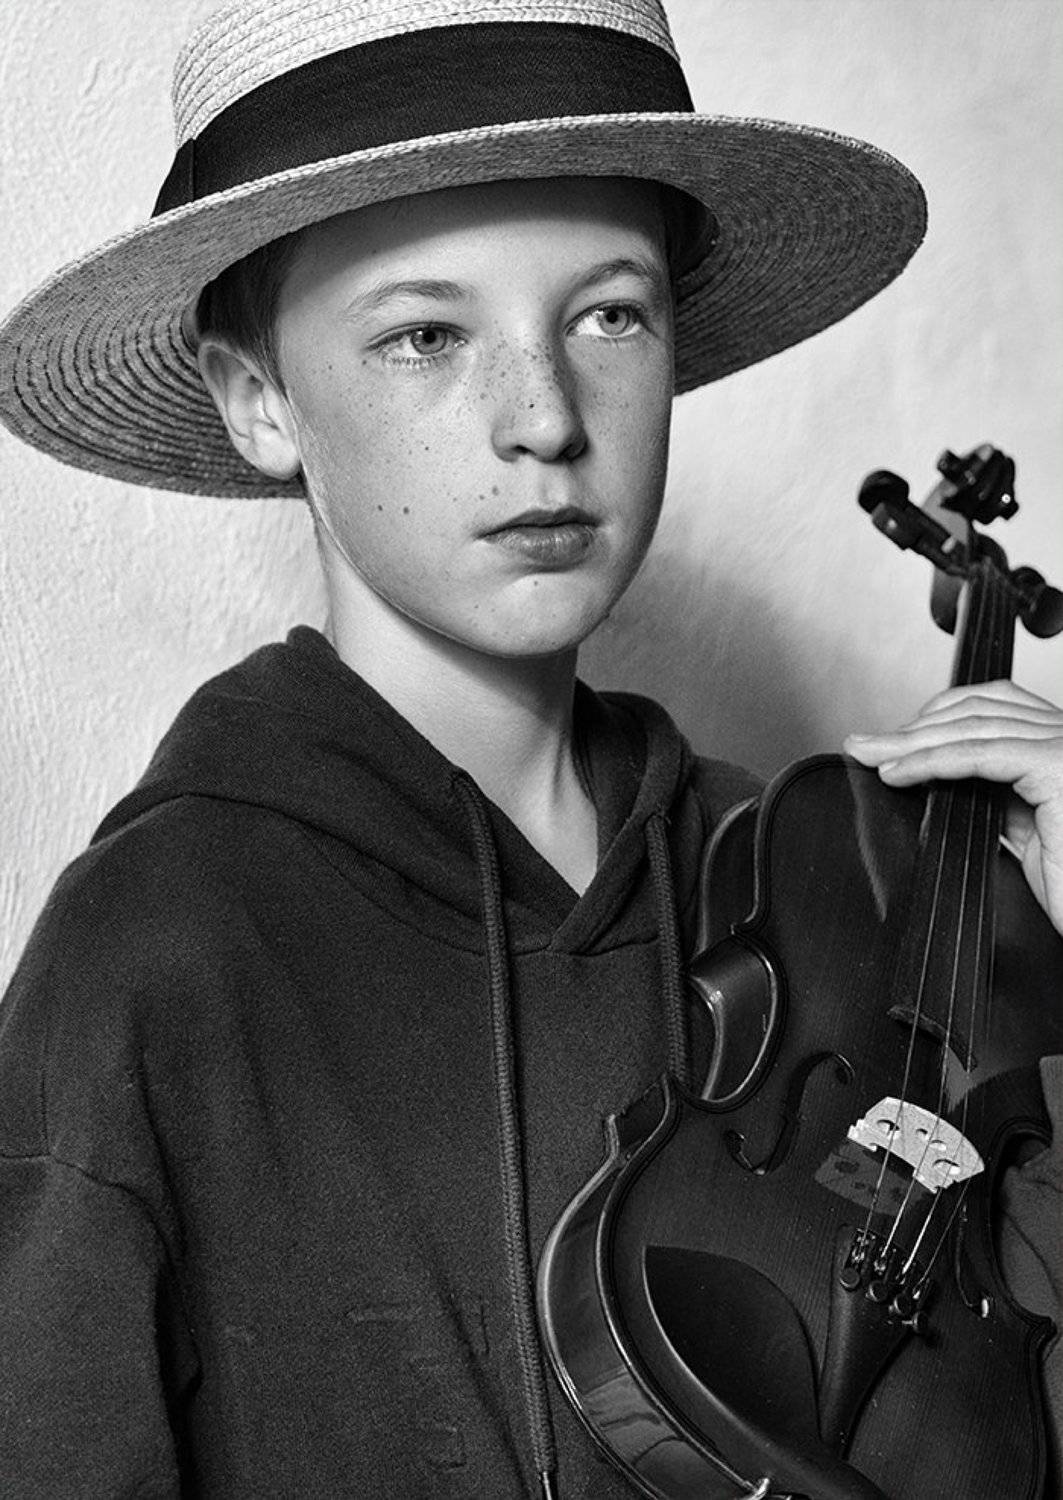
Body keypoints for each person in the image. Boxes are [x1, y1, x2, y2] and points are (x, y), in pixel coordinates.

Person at [0, 1, 1059, 1495]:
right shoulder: (159, 951)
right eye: (427, 336)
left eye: (611, 313)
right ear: (260, 403)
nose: (547, 419)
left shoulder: (810, 882)